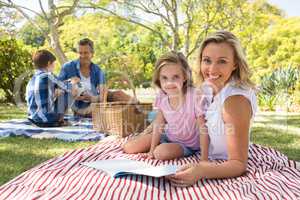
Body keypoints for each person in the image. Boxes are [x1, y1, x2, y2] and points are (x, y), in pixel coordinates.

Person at [167, 30, 258, 187]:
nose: (212, 69)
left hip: (224, 165)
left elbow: (238, 164)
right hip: (204, 154)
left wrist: (201, 170)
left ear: (235, 64)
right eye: (207, 60)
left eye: (222, 61)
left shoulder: (235, 101)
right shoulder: (208, 88)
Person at [123, 51, 211, 161]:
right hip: (168, 137)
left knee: (160, 153)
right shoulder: (162, 96)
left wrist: (204, 159)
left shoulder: (195, 96)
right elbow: (159, 123)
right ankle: (152, 143)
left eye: (175, 77)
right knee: (128, 147)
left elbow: (203, 128)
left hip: (187, 145)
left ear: (184, 76)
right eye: (164, 78)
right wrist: (151, 150)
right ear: (159, 79)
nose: (170, 83)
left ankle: (159, 147)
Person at [58, 38, 133, 117]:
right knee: (95, 110)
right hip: (81, 107)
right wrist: (70, 83)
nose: (82, 56)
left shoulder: (97, 70)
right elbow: (57, 87)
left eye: (86, 53)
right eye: (80, 53)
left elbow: (102, 96)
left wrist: (92, 98)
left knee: (118, 94)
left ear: (92, 54)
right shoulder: (68, 67)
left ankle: (139, 109)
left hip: (95, 100)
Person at [26, 50, 79, 127]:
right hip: (47, 119)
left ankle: (58, 120)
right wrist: (74, 82)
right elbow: (67, 87)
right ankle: (59, 120)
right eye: (54, 64)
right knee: (76, 88)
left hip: (34, 119)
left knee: (60, 92)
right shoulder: (48, 75)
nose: (54, 67)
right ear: (48, 63)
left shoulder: (32, 79)